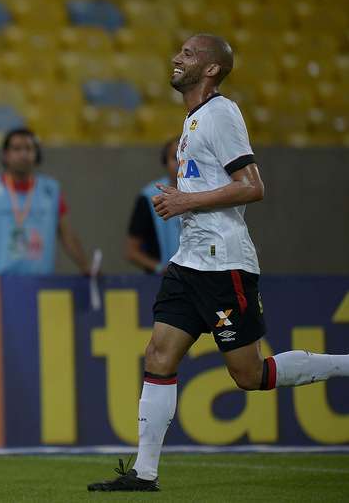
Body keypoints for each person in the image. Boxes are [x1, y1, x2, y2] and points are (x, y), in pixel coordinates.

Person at [88, 34, 349, 492]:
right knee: (158, 355)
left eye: (188, 54)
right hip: (189, 262)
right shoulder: (193, 119)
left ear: (210, 69)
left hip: (223, 262)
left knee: (249, 374)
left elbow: (252, 186)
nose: (176, 58)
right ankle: (144, 474)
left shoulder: (221, 114)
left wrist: (186, 201)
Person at [0, 128, 90, 275]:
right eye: (17, 149)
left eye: (29, 148)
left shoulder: (51, 191)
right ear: (5, 155)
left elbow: (67, 235)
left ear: (37, 154)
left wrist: (86, 266)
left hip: (40, 283)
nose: (23, 154)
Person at [125, 137, 181, 274]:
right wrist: (160, 268)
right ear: (165, 162)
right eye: (175, 157)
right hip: (160, 283)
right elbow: (131, 251)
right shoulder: (148, 197)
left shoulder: (205, 194)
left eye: (186, 157)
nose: (181, 163)